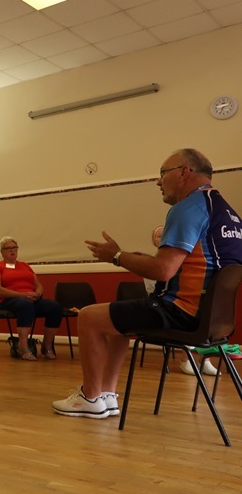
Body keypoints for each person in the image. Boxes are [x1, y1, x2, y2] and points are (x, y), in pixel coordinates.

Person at [53, 149, 242, 418]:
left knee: (87, 316)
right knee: (117, 319)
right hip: (212, 320)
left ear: (184, 172)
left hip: (180, 312)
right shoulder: (227, 212)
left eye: (163, 173)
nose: (158, 181)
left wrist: (117, 257)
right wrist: (131, 257)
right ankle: (106, 395)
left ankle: (91, 397)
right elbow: (189, 266)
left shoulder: (189, 207)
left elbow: (163, 270)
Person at [146, 225, 219, 377]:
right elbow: (156, 291)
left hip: (180, 302)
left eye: (165, 234)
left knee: (207, 314)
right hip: (160, 306)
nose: (162, 238)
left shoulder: (184, 261)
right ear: (154, 242)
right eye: (158, 236)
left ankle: (205, 359)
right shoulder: (153, 263)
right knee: (187, 313)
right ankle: (186, 359)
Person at [0, 237, 63, 361]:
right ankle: (23, 347)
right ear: (2, 252)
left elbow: (38, 284)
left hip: (30, 299)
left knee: (55, 307)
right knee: (25, 305)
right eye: (8, 248)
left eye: (14, 248)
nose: (12, 251)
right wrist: (22, 295)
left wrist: (38, 293)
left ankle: (47, 345)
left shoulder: (25, 266)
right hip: (9, 301)